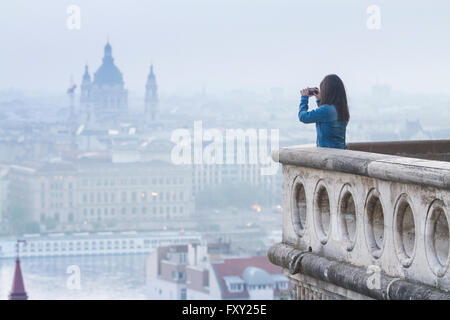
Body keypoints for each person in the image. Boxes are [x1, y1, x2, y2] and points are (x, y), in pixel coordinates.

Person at [298, 74, 350, 149]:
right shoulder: (342, 109)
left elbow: (303, 117)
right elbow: (327, 120)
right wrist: (319, 100)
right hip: (341, 152)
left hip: (328, 155)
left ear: (327, 91)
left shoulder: (326, 110)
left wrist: (304, 98)